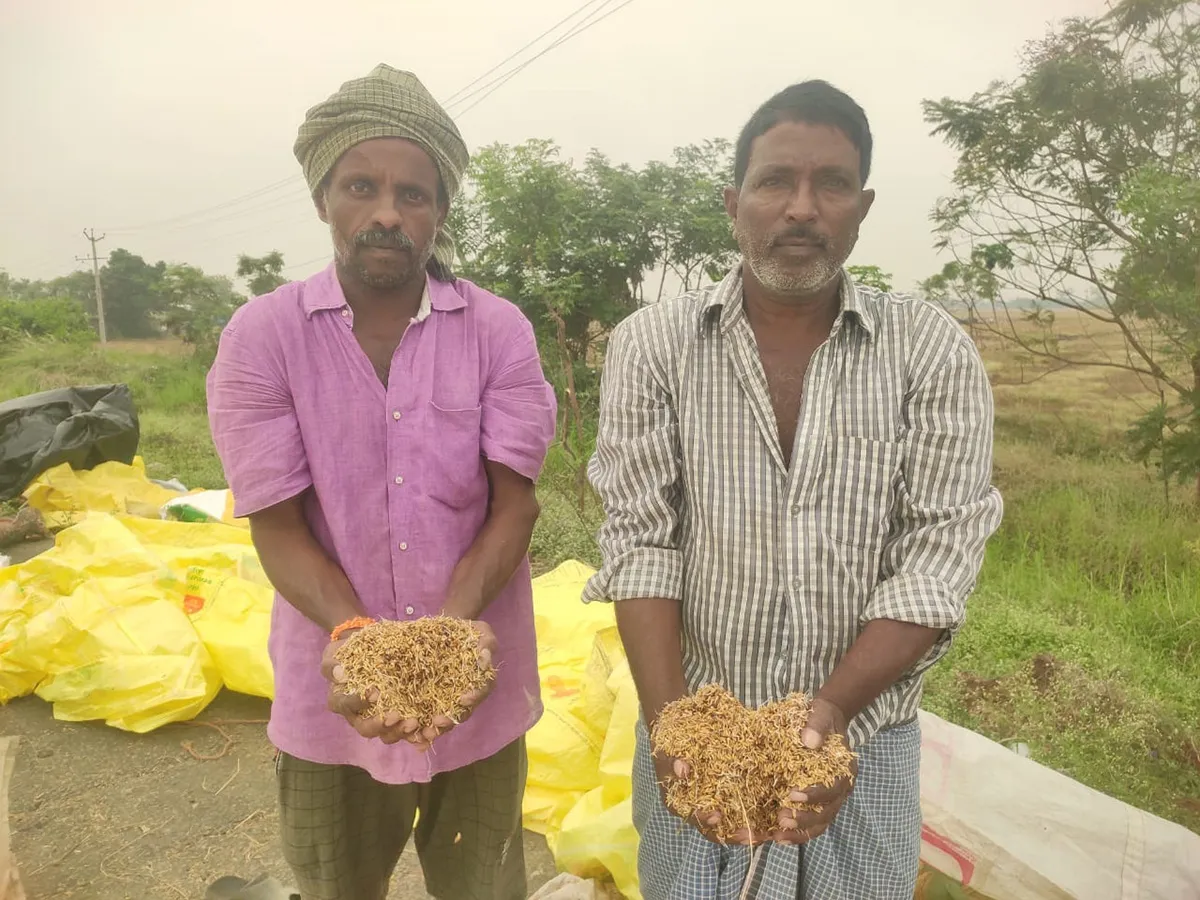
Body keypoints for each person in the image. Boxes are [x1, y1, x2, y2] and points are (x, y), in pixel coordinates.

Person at [583, 80, 1004, 899]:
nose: (802, 208)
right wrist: (677, 731)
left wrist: (831, 716)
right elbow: (641, 543)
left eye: (831, 185)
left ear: (863, 206)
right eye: (776, 181)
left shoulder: (930, 349)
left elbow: (937, 559)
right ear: (734, 200)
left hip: (866, 736)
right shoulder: (653, 345)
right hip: (694, 725)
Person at [206, 64, 557, 900]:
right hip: (332, 692)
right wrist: (354, 639)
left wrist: (452, 633)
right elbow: (277, 524)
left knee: (481, 886)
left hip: (479, 688)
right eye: (362, 186)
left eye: (416, 194)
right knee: (336, 885)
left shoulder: (499, 331)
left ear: (439, 210)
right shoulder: (262, 338)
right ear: (325, 197)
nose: (389, 214)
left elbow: (516, 506)